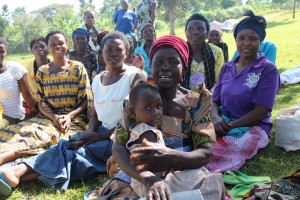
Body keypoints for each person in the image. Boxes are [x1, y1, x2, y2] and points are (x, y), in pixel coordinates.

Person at [0, 31, 146, 196]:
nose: (113, 53)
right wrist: (89, 133)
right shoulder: (98, 79)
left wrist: (99, 137)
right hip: (99, 131)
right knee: (66, 144)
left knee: (82, 155)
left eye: (118, 50)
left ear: (126, 52)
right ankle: (15, 173)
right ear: (101, 52)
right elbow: (97, 115)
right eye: (108, 49)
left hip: (122, 138)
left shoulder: (135, 76)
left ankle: (19, 173)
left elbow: (133, 119)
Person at [106, 35, 224, 200]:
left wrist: (169, 156)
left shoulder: (196, 103)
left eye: (173, 61)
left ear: (184, 65)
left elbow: (205, 153)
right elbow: (118, 147)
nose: (165, 67)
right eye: (159, 62)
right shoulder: (135, 101)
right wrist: (149, 180)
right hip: (143, 173)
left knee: (212, 186)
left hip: (184, 169)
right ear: (151, 65)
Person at [0, 30, 91, 163]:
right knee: (16, 131)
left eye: (61, 43)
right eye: (53, 44)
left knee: (42, 136)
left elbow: (85, 99)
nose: (57, 46)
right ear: (48, 48)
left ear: (68, 45)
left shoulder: (78, 68)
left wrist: (69, 116)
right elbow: (41, 102)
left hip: (73, 120)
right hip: (48, 118)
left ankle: (3, 159)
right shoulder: (42, 71)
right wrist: (53, 118)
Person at [206, 10, 280, 173]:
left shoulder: (267, 69)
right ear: (236, 40)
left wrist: (229, 126)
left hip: (253, 127)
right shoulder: (227, 67)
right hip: (223, 120)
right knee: (195, 139)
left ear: (260, 41)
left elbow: (261, 112)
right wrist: (216, 118)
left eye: (253, 39)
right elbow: (215, 100)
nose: (246, 43)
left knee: (219, 151)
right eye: (241, 38)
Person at [0, 37, 36, 130]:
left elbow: (28, 97)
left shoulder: (14, 68)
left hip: (12, 117)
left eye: (2, 51)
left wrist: (40, 115)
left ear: (6, 52)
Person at [182, 13, 224, 92]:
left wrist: (207, 96)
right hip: (183, 97)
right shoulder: (180, 52)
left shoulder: (216, 52)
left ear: (207, 33)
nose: (195, 32)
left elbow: (218, 81)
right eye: (190, 29)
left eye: (200, 29)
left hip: (209, 98)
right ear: (185, 32)